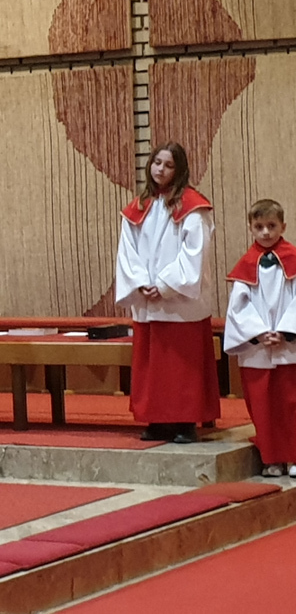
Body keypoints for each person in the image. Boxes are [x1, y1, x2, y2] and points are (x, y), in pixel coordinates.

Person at [115, 142, 219, 443]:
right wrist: (140, 282)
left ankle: (185, 422)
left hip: (179, 302)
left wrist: (164, 285)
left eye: (169, 165)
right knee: (154, 368)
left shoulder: (193, 206)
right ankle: (158, 420)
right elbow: (128, 251)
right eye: (157, 163)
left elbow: (194, 252)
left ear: (180, 170)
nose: (160, 169)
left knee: (181, 367)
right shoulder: (139, 206)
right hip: (148, 301)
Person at [223, 199, 296, 477]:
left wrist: (286, 331)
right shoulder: (246, 265)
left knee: (290, 404)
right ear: (251, 228)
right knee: (262, 406)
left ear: (283, 227)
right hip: (258, 350)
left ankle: (293, 457)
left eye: (271, 226)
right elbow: (238, 307)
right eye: (259, 226)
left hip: (289, 347)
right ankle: (271, 459)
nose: (265, 232)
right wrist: (259, 332)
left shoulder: (294, 260)